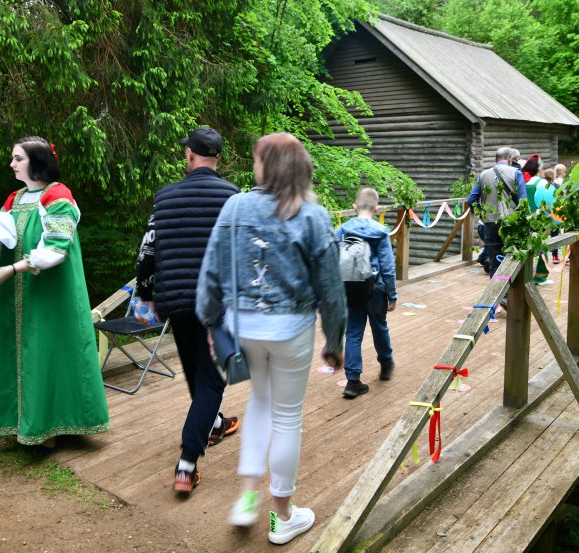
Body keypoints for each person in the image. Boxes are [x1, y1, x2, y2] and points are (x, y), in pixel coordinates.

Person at [196, 133, 346, 545]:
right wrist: (335, 342)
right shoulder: (313, 215)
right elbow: (331, 289)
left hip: (244, 327)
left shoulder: (235, 205)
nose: (253, 167)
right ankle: (282, 516)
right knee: (287, 416)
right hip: (290, 330)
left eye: (257, 160)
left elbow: (210, 272)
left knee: (259, 403)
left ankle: (246, 498)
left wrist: (213, 325)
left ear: (270, 165)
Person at [0, 136, 109, 446]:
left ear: (36, 162)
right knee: (20, 351)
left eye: (18, 158)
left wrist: (11, 269)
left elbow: (55, 249)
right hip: (19, 295)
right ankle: (21, 422)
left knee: (47, 351)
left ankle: (52, 426)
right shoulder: (14, 198)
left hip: (51, 293)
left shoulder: (59, 197)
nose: (12, 164)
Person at [135, 127, 240, 494]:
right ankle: (186, 464)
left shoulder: (165, 198)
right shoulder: (232, 197)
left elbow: (147, 251)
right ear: (218, 159)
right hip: (216, 306)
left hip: (177, 302)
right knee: (211, 381)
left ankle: (212, 425)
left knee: (198, 378)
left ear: (190, 155)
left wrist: (146, 295)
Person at [334, 188, 398, 399]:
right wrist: (392, 294)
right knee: (380, 327)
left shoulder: (342, 230)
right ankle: (386, 364)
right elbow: (388, 266)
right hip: (376, 287)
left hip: (351, 287)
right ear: (377, 208)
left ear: (354, 207)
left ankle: (352, 382)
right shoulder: (380, 231)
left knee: (353, 332)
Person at [467, 147, 525, 282]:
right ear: (510, 159)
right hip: (511, 222)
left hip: (489, 223)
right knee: (511, 258)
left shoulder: (482, 175)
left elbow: (471, 200)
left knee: (495, 260)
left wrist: (482, 214)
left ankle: (496, 295)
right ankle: (509, 294)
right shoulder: (516, 173)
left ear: (496, 159)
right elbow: (523, 201)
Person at [522, 154, 553, 285]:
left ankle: (524, 275)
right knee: (541, 247)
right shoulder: (541, 183)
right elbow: (547, 203)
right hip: (538, 220)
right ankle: (540, 277)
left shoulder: (523, 181)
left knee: (525, 247)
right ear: (539, 168)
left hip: (523, 219)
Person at [536, 168, 561, 264]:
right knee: (555, 234)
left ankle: (541, 256)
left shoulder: (541, 187)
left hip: (543, 212)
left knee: (542, 234)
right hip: (554, 212)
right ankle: (555, 256)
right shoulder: (557, 187)